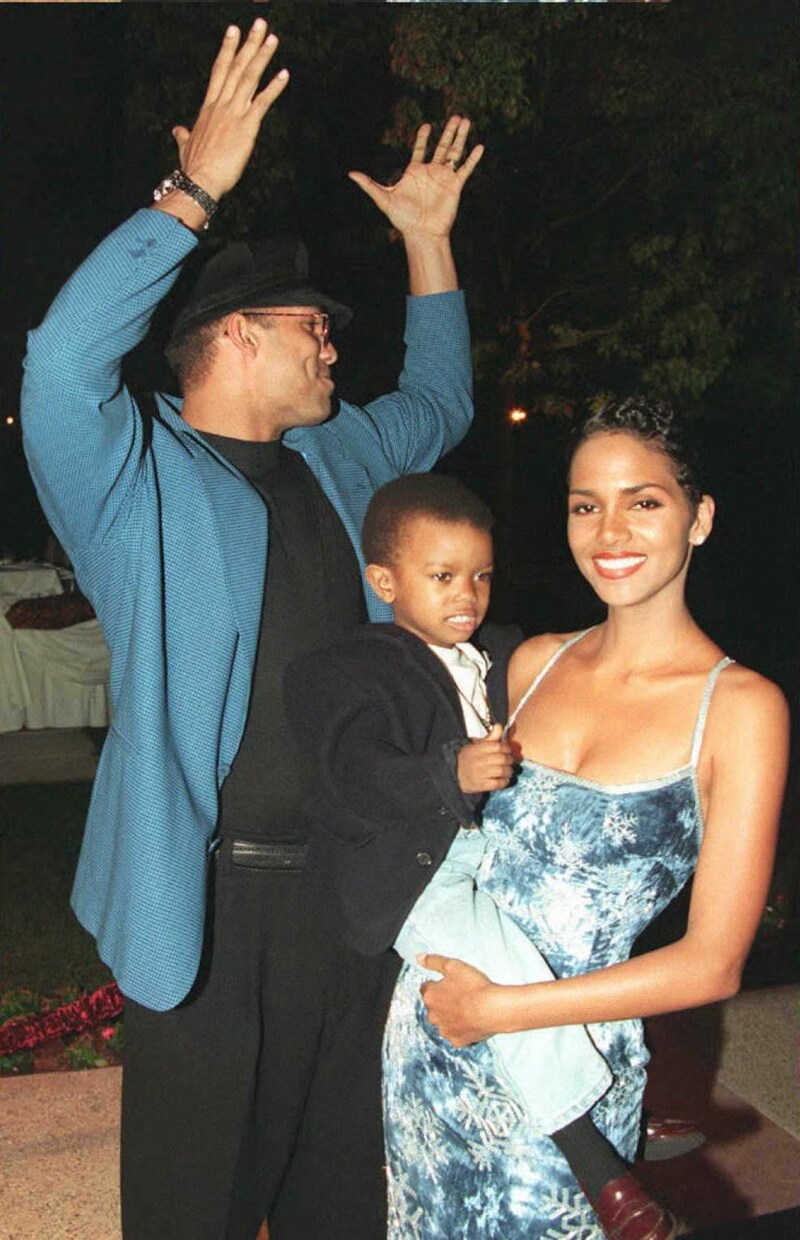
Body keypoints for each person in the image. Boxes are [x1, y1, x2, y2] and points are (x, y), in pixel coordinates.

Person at [21, 18, 485, 1240]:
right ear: (233, 334)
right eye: (311, 327)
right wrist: (191, 194)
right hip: (208, 906)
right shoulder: (132, 477)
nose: (333, 344)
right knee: (198, 1203)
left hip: (353, 889)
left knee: (344, 1186)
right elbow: (61, 363)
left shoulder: (335, 458)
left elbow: (438, 400)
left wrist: (428, 243)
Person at [391, 397, 788, 1237]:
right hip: (432, 1041)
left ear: (699, 518)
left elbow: (712, 966)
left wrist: (503, 1010)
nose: (610, 532)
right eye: (585, 505)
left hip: (567, 1069)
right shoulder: (532, 661)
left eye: (644, 501)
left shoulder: (740, 709)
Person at [286, 471, 678, 1240]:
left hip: (490, 854)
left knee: (554, 941)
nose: (467, 594)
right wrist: (448, 771)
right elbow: (348, 777)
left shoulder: (503, 651)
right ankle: (599, 1163)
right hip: (410, 877)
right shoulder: (340, 669)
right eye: (441, 577)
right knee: (504, 964)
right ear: (382, 580)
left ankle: (606, 1106)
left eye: (481, 575)